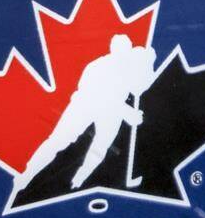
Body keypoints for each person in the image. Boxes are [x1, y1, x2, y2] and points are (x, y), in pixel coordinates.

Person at [14, 33, 157, 193]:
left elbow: (139, 88)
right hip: (84, 107)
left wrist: (149, 62)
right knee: (57, 141)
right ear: (113, 49)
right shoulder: (97, 66)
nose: (123, 53)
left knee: (100, 147)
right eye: (119, 48)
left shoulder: (129, 70)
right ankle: (26, 176)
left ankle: (79, 181)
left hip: (111, 114)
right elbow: (97, 95)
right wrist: (127, 112)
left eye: (126, 49)